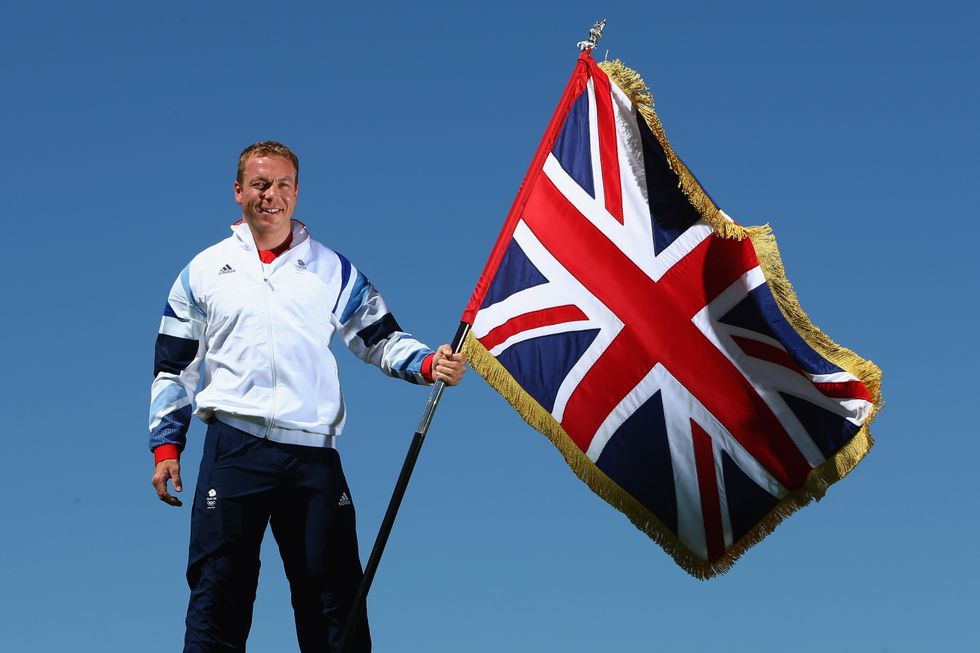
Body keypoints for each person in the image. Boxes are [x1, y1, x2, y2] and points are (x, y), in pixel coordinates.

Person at [148, 141, 466, 653]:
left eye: (283, 185)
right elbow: (174, 365)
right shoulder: (203, 271)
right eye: (259, 184)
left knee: (334, 599)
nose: (271, 195)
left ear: (296, 193)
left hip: (312, 456)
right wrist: (167, 447)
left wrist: (428, 363)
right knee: (218, 595)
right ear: (238, 192)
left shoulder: (332, 270)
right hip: (235, 449)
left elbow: (379, 336)